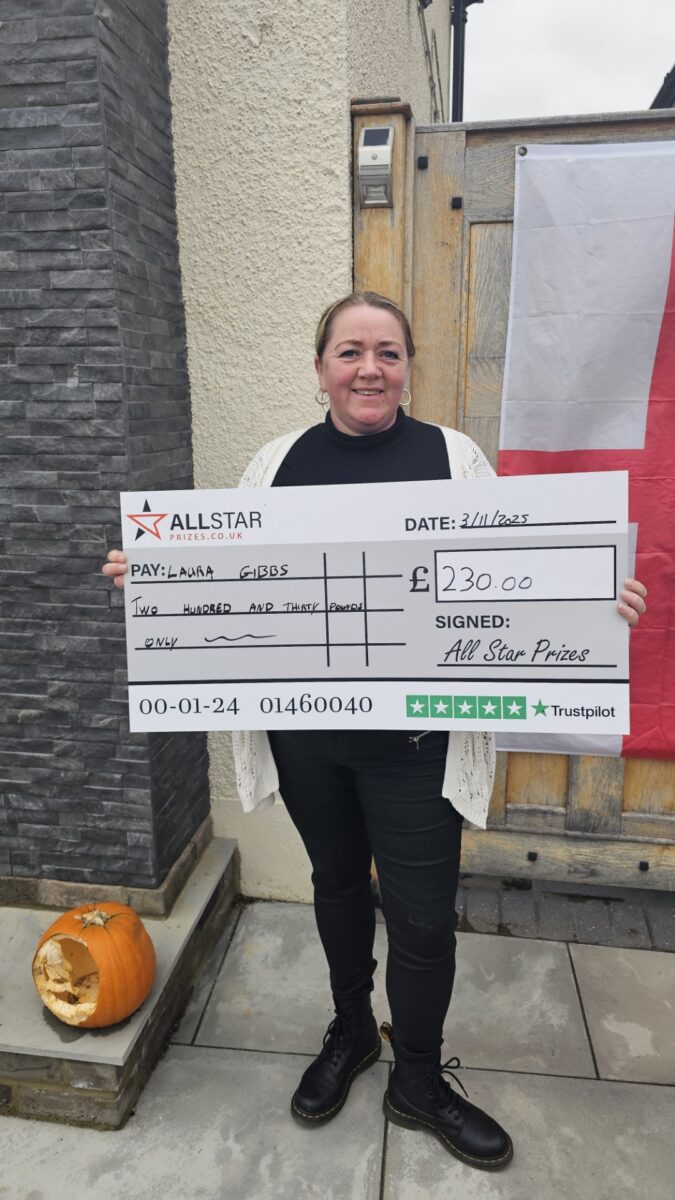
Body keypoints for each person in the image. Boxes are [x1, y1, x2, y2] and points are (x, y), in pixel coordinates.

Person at [103, 292, 647, 1172]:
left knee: (424, 923)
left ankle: (418, 1081)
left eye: (388, 352)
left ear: (407, 367)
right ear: (320, 367)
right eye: (350, 351)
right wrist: (156, 580)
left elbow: (513, 571)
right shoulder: (276, 463)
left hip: (416, 749)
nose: (369, 368)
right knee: (336, 886)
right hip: (307, 744)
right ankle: (352, 1028)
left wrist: (590, 592)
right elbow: (226, 579)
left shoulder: (452, 459)